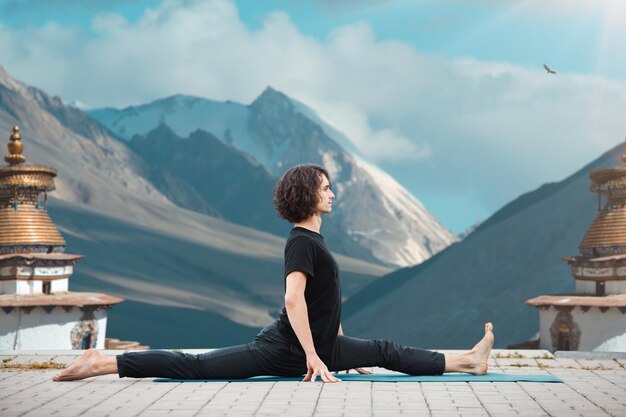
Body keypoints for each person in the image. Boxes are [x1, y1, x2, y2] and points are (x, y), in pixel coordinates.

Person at [53, 164, 494, 383]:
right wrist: (316, 357)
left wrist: (337, 344)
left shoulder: (314, 240)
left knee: (382, 350)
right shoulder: (302, 241)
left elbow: (324, 298)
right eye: (326, 188)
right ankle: (102, 363)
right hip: (283, 350)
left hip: (318, 345)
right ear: (309, 196)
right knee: (194, 366)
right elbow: (293, 299)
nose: (333, 194)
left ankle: (467, 361)